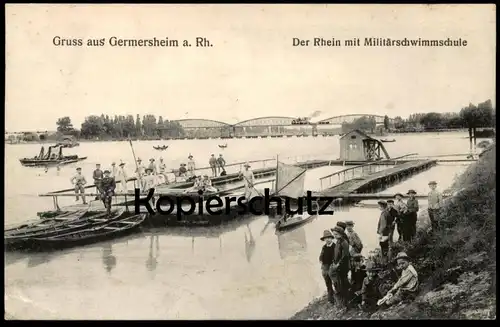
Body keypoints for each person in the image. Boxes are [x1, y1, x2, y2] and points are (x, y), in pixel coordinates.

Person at [330, 226, 350, 311]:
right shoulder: (338, 241)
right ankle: (345, 301)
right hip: (338, 266)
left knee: (342, 284)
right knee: (340, 283)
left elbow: (345, 256)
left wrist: (338, 264)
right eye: (334, 234)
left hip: (343, 267)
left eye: (336, 234)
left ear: (341, 234)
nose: (334, 236)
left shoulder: (344, 242)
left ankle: (346, 304)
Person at [319, 229, 336, 305]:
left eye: (329, 238)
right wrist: (321, 260)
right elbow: (321, 256)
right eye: (326, 238)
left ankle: (339, 298)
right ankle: (331, 299)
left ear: (332, 238)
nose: (327, 239)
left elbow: (336, 257)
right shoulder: (324, 247)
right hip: (325, 267)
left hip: (332, 267)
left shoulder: (335, 246)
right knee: (328, 284)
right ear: (324, 239)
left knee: (335, 282)